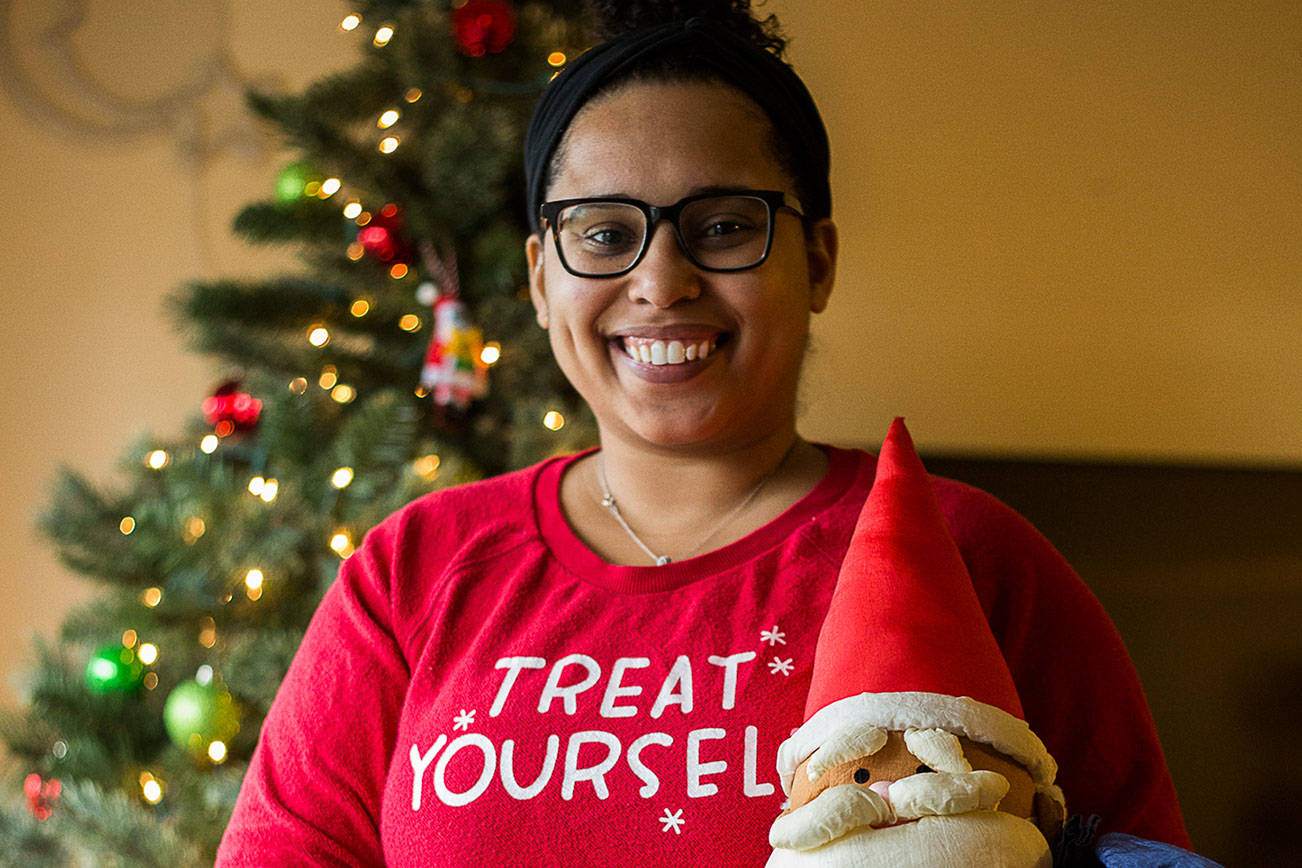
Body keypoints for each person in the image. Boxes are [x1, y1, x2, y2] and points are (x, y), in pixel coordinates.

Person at [216, 3, 1190, 865]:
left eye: (723, 225)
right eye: (603, 232)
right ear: (541, 275)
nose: (662, 278)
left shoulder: (977, 561)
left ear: (816, 261)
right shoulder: (414, 575)